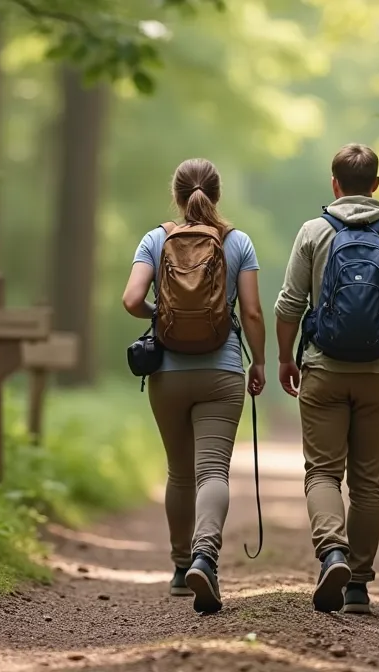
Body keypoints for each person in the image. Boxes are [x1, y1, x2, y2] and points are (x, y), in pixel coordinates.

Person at [273, 143, 379, 613]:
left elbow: (288, 304)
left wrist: (285, 358)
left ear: (334, 184)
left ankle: (333, 552)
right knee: (368, 482)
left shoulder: (313, 231)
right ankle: (358, 585)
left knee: (323, 471)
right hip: (378, 375)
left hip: (322, 369)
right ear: (377, 186)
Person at [122, 158, 267, 614]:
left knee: (179, 473)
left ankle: (183, 567)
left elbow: (130, 300)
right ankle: (207, 555)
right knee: (212, 473)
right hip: (222, 371)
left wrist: (161, 316)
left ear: (178, 195)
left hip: (168, 371)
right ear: (216, 195)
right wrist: (259, 361)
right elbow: (253, 313)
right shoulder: (238, 241)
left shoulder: (156, 238)